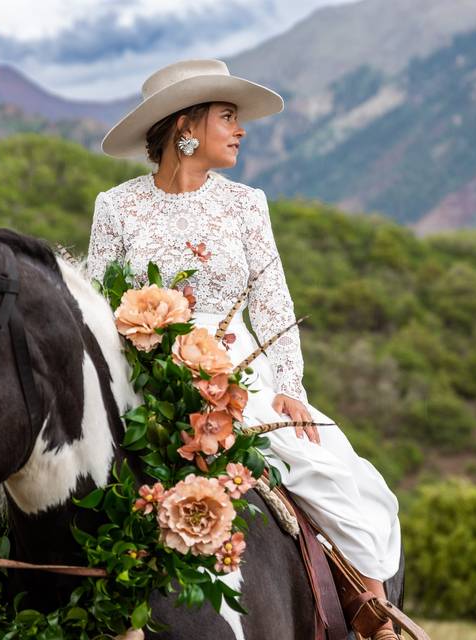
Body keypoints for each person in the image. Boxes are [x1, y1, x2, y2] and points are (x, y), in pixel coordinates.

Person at [86, 59, 401, 639]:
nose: (241, 129)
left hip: (239, 371)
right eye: (227, 117)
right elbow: (101, 305)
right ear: (186, 125)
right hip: (141, 373)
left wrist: (289, 390)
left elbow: (275, 304)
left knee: (336, 472)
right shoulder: (116, 206)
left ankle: (372, 614)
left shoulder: (246, 204)